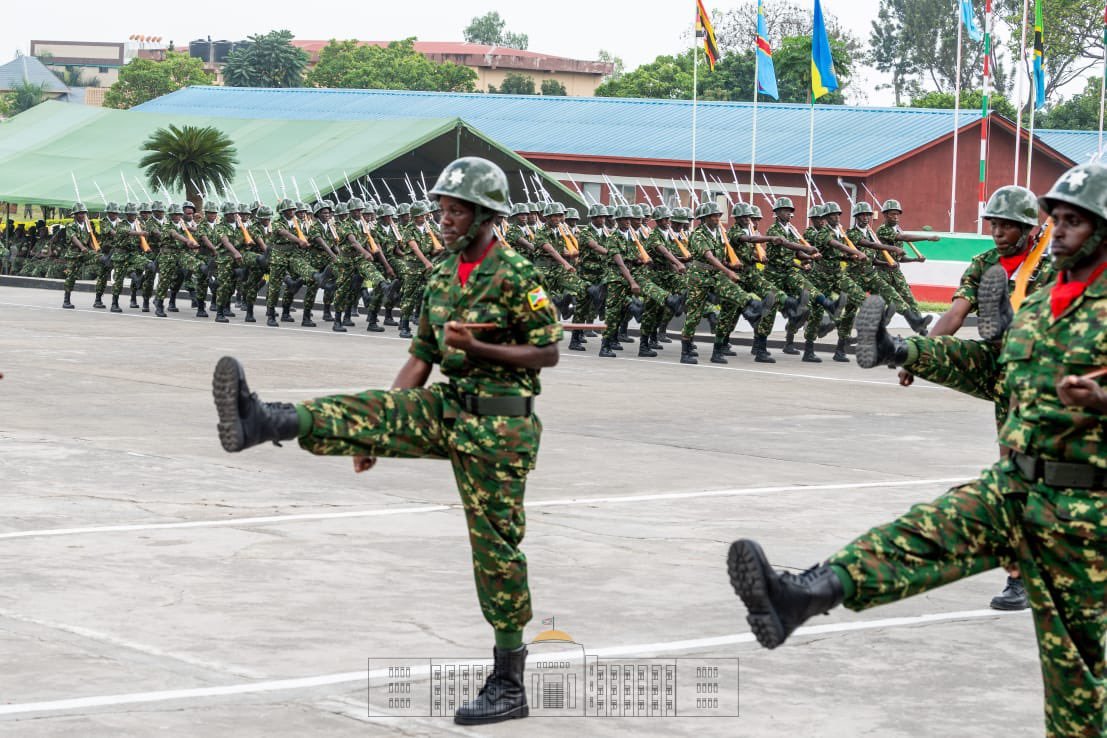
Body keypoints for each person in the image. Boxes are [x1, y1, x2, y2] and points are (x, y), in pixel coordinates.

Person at [728, 162, 1107, 738]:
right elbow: (995, 372)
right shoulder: (1047, 298)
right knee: (925, 532)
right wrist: (902, 352)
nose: (1055, 232)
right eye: (1054, 219)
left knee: (1076, 691)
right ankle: (800, 597)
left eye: (1073, 222)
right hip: (1017, 489)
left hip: (1087, 517)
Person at [212, 157, 560, 726]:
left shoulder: (517, 275)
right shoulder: (443, 276)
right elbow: (421, 357)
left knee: (495, 551)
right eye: (441, 210)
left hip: (501, 427)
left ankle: (508, 681)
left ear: (484, 216)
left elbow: (547, 352)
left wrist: (480, 350)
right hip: (447, 409)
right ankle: (265, 420)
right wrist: (379, 427)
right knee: (363, 407)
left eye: (455, 211)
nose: (443, 220)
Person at [897, 185, 1055, 612]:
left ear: (1029, 227)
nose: (999, 233)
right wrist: (920, 358)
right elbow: (955, 314)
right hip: (1003, 369)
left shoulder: (1054, 262)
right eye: (994, 225)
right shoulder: (985, 264)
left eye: (1008, 226)